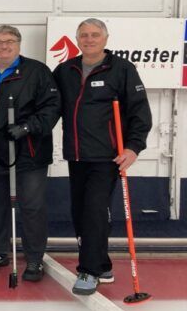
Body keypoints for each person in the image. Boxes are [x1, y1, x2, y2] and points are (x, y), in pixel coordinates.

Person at [53, 18, 152, 295]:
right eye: (84, 35)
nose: (89, 39)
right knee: (80, 212)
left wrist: (133, 147)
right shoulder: (66, 69)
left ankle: (89, 271)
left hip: (107, 156)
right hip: (76, 154)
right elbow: (51, 106)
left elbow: (140, 112)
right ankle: (102, 263)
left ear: (105, 39)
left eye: (95, 35)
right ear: (77, 39)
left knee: (94, 211)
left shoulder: (121, 69)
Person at [0, 25, 60, 282]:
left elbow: (52, 107)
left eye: (9, 41)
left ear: (19, 44)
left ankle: (34, 258)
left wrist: (26, 127)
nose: (4, 46)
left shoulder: (37, 72)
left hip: (29, 154)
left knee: (32, 207)